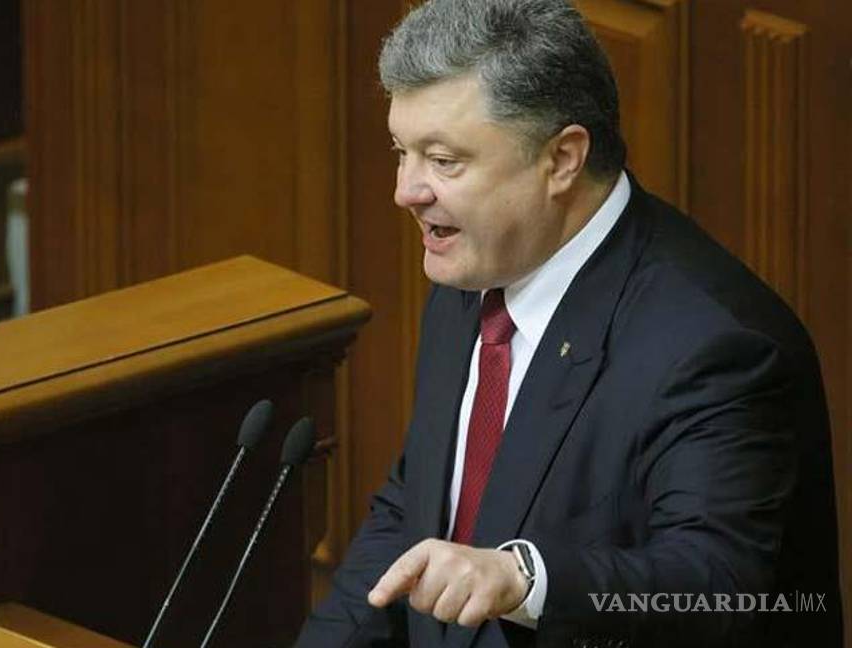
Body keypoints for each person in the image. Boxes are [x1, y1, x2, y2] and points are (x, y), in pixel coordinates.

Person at [294, 0, 843, 646]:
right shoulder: (474, 272)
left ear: (562, 159)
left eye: (443, 161)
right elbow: (418, 507)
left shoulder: (717, 347)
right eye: (401, 152)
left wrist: (528, 580)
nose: (405, 190)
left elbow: (718, 585)